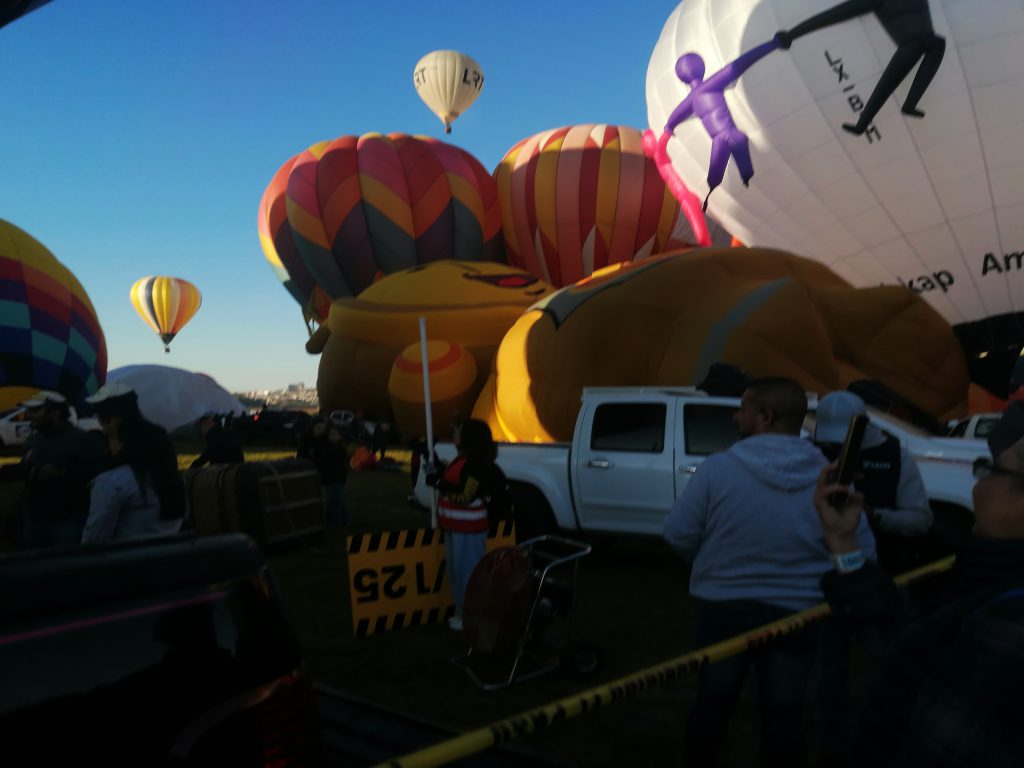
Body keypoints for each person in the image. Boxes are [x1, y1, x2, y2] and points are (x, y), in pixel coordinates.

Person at [663, 377, 876, 768]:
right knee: (784, 715)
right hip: (800, 614)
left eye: (742, 408)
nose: (734, 415)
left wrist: (710, 565)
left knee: (713, 704)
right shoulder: (829, 478)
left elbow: (678, 534)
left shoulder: (718, 469)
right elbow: (864, 550)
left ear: (764, 415)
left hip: (723, 610)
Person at [811, 401, 1024, 767]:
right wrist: (845, 544)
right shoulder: (985, 590)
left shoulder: (1007, 633)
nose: (977, 484)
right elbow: (913, 644)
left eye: (988, 469)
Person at [811, 390, 932, 757]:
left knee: (892, 665)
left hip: (885, 583)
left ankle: (900, 733)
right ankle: (830, 743)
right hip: (829, 583)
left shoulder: (895, 456)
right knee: (828, 671)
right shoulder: (811, 452)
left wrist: (876, 517)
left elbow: (921, 520)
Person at [644, 37, 781, 211]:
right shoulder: (710, 86)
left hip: (719, 139)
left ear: (683, 78)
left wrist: (667, 130)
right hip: (732, 134)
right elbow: (738, 65)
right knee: (737, 158)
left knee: (715, 175)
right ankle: (743, 178)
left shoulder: (691, 100)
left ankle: (718, 189)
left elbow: (674, 117)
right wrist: (772, 44)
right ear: (700, 68)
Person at [776, 0, 945, 136]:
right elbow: (835, 14)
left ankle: (908, 105)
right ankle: (862, 125)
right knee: (886, 86)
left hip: (927, 40)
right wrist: (792, 34)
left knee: (937, 44)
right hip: (910, 45)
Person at [428, 419, 508, 631]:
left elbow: (464, 495)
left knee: (469, 574)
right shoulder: (464, 459)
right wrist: (436, 469)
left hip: (468, 528)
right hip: (453, 526)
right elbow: (454, 480)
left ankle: (475, 618)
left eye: (459, 431)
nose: (454, 434)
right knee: (456, 572)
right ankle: (464, 614)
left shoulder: (478, 464)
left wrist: (437, 481)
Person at [0, 391, 106, 548]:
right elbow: (27, 469)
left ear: (55, 413)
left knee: (63, 566)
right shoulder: (33, 439)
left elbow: (99, 474)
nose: (29, 415)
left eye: (36, 410)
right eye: (29, 410)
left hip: (67, 520)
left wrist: (65, 472)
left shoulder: (82, 440)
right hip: (34, 519)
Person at [84, 383, 187, 529]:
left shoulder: (117, 477)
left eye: (103, 420)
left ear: (114, 419)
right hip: (169, 527)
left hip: (134, 539)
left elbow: (98, 527)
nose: (104, 430)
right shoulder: (155, 434)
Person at [82, 414, 184, 543]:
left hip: (125, 557)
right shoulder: (172, 478)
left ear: (126, 444)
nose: (109, 445)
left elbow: (95, 536)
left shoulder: (112, 480)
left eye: (113, 439)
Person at [297, 416, 349, 527]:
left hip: (332, 474)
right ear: (312, 428)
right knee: (336, 497)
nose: (321, 430)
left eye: (323, 428)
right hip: (318, 472)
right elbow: (302, 456)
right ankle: (343, 521)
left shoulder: (326, 440)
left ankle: (336, 523)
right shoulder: (307, 440)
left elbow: (336, 450)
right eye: (319, 428)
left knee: (334, 498)